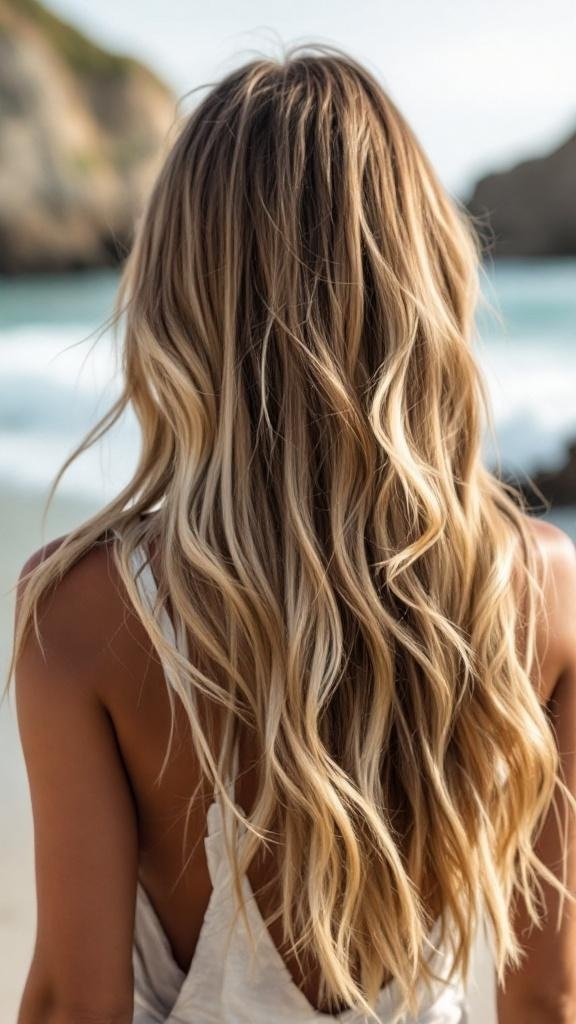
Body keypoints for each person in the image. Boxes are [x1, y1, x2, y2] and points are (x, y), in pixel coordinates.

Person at [7, 44, 576, 1024]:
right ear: (422, 284)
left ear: (178, 299)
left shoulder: (85, 613)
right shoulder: (539, 590)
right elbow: (547, 994)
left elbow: (73, 1003)